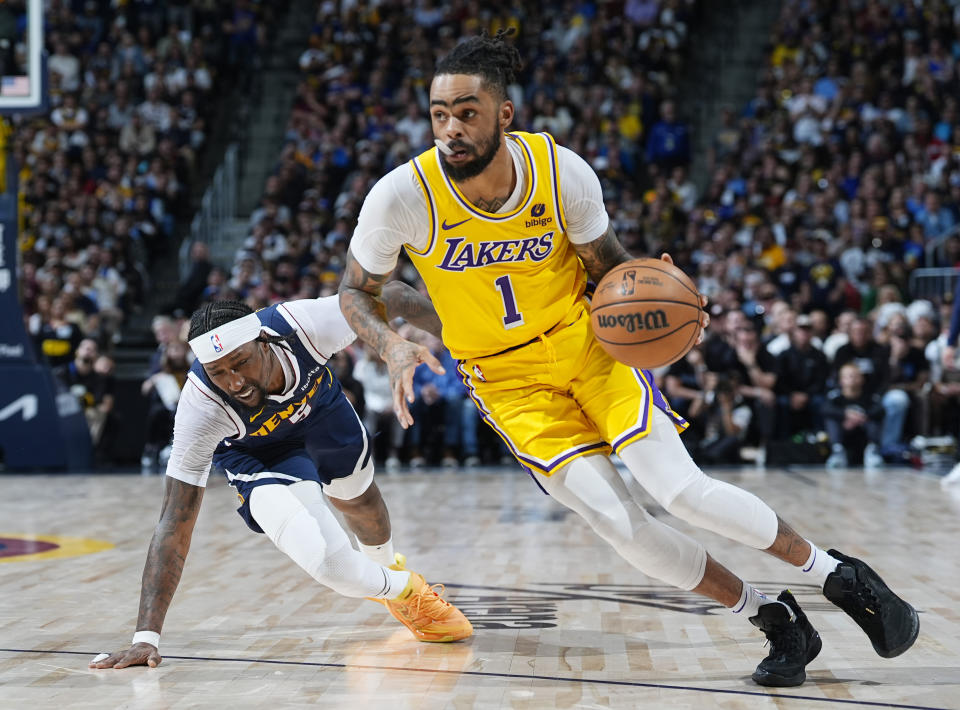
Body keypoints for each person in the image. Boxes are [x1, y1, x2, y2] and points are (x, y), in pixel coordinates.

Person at [338, 31, 918, 688]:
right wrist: (390, 341)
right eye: (439, 113)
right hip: (507, 384)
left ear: (504, 114)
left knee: (681, 491)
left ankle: (840, 577)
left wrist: (653, 287)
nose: (450, 129)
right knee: (623, 527)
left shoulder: (561, 172)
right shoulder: (401, 196)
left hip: (589, 349)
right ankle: (773, 617)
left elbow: (607, 267)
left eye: (467, 112)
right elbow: (358, 287)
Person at [90, 285, 471, 671]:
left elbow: (396, 295)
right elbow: (174, 521)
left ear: (263, 340)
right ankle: (408, 591)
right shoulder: (200, 407)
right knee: (328, 564)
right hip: (256, 454)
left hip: (321, 414)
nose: (234, 381)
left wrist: (467, 341)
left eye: (240, 363)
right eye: (218, 372)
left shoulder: (304, 324)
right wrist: (145, 638)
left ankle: (387, 567)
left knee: (358, 497)